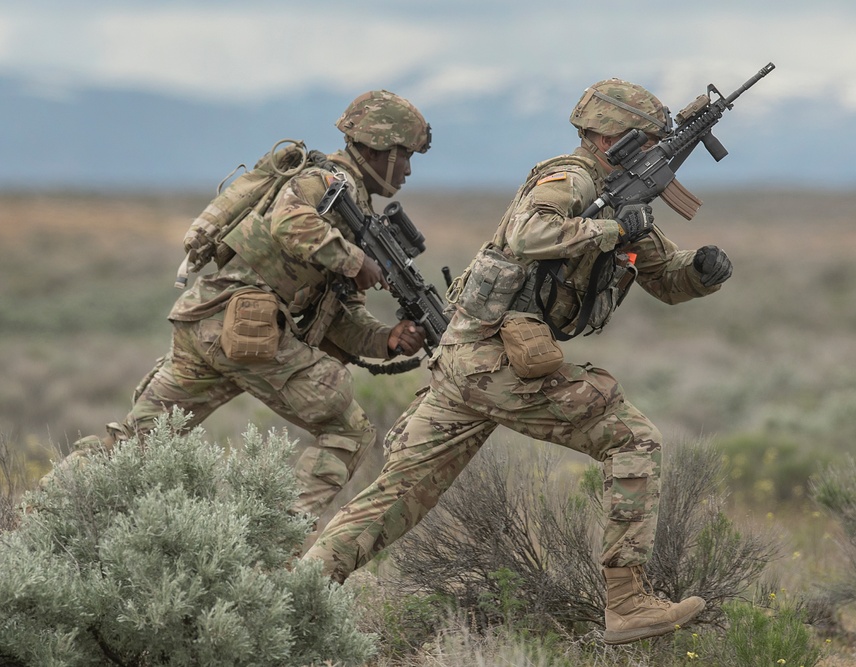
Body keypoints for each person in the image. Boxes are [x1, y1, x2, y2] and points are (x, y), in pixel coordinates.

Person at [304, 78, 733, 645]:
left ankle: (294, 594)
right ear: (609, 138)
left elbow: (662, 276)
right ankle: (627, 602)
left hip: (469, 362)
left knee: (396, 500)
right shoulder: (570, 179)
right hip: (491, 362)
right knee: (632, 439)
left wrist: (701, 273)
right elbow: (532, 232)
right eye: (643, 140)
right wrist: (611, 228)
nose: (654, 152)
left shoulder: (619, 199)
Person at [45, 90, 429, 540]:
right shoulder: (326, 185)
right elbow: (289, 223)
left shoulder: (353, 205)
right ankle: (272, 548)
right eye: (403, 157)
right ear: (379, 148)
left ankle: (46, 511)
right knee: (351, 432)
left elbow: (338, 316)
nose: (407, 170)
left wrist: (385, 339)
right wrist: (354, 261)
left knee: (136, 443)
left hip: (209, 325)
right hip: (243, 330)